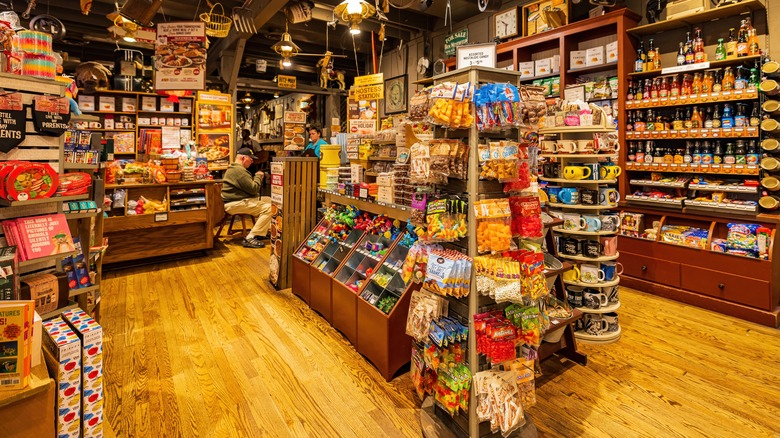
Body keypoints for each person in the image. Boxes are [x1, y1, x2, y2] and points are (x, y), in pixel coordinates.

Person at [222, 148, 272, 248]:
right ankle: (251, 237)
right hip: (235, 204)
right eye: (251, 159)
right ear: (243, 158)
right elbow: (253, 189)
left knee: (270, 200)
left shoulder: (235, 168)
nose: (252, 161)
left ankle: (261, 231)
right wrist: (258, 176)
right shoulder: (238, 171)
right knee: (270, 208)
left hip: (236, 201)